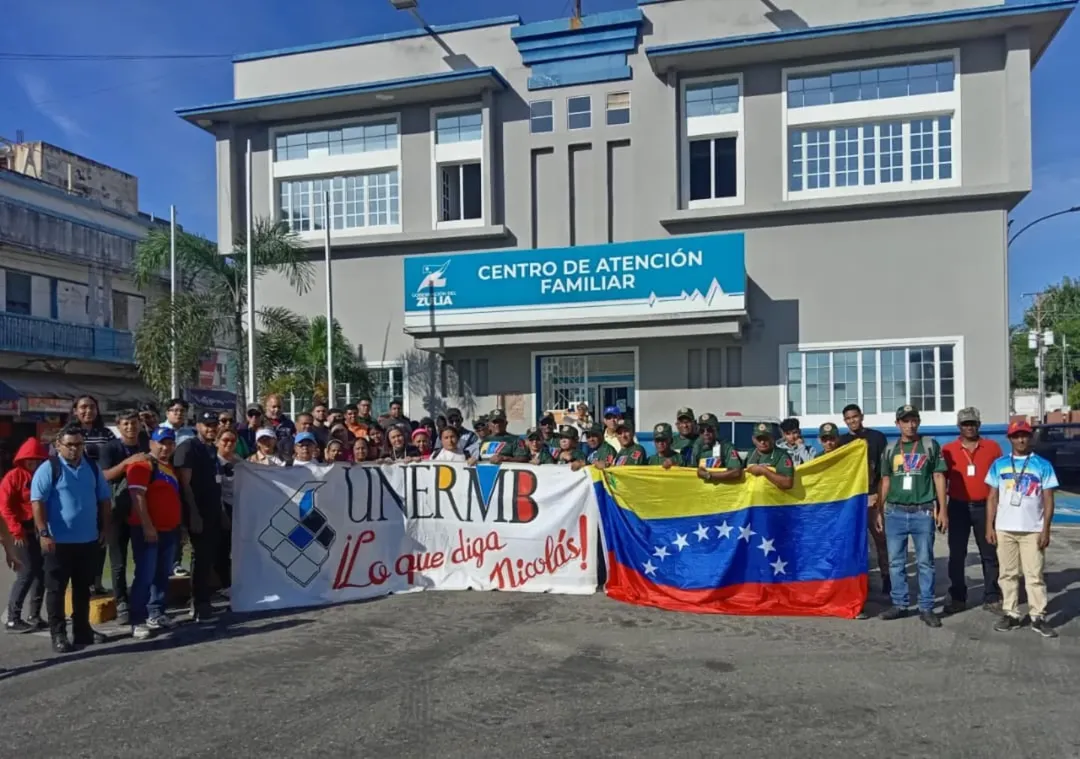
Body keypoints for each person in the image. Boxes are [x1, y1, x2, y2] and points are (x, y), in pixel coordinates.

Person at [31, 425, 111, 653]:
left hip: (87, 541)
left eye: (79, 444)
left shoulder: (92, 468)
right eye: (70, 445)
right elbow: (37, 502)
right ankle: (58, 634)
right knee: (56, 590)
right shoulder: (49, 468)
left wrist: (105, 528)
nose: (74, 449)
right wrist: (43, 533)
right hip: (58, 542)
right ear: (58, 446)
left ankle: (82, 630)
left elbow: (104, 499)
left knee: (83, 589)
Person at [986, 420, 1059, 638]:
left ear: (1030, 437)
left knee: (1034, 574)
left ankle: (1038, 616)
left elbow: (1048, 499)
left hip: (1032, 529)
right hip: (1004, 528)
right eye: (1016, 436)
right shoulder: (999, 464)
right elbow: (992, 497)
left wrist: (1045, 529)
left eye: (1024, 435)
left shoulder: (1042, 465)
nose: (1021, 440)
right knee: (1007, 574)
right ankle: (1011, 613)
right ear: (1009, 438)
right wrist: (990, 525)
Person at [876, 404, 947, 628]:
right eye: (905, 421)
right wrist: (879, 510)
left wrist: (942, 509)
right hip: (895, 512)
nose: (910, 425)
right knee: (896, 562)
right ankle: (899, 604)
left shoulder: (930, 445)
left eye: (914, 420)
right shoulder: (890, 449)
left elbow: (938, 477)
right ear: (897, 424)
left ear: (919, 421)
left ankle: (926, 607)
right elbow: (885, 481)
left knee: (925, 562)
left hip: (922, 511)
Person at [941, 407, 1003, 615]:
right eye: (965, 424)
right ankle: (958, 596)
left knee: (989, 552)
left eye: (973, 423)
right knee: (957, 554)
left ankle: (992, 595)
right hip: (958, 506)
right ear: (958, 426)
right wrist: (940, 509)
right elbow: (941, 480)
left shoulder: (992, 447)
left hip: (984, 507)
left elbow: (1000, 479)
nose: (969, 427)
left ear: (979, 425)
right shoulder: (948, 450)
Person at [126, 427, 183, 640]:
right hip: (148, 531)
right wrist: (147, 526)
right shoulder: (142, 465)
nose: (165, 447)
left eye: (169, 443)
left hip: (169, 530)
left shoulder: (169, 467)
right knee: (145, 575)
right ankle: (137, 620)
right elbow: (137, 496)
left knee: (161, 574)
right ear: (151, 444)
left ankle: (156, 613)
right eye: (161, 443)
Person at [98, 410, 150, 626]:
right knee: (118, 563)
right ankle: (121, 603)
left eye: (134, 423)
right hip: (116, 511)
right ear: (118, 426)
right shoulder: (110, 448)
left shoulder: (146, 444)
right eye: (126, 424)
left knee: (142, 559)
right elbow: (104, 475)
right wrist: (129, 462)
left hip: (142, 511)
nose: (131, 427)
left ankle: (140, 599)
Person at [173, 410, 223, 622]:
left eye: (214, 425)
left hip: (212, 510)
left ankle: (204, 599)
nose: (211, 429)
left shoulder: (211, 449)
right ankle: (198, 603)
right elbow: (184, 484)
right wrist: (193, 513)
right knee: (200, 557)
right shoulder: (188, 447)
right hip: (196, 511)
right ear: (198, 426)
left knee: (208, 557)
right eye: (206, 425)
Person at [840, 403, 890, 596]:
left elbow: (885, 471)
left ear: (861, 416)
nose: (852, 421)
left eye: (855, 416)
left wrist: (880, 497)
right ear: (845, 421)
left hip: (873, 495)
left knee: (881, 540)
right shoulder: (842, 442)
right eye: (848, 418)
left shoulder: (877, 437)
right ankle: (857, 582)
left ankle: (887, 577)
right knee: (854, 543)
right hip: (852, 499)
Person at [2, 437, 49, 632]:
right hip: (20, 533)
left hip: (38, 531)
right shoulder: (13, 477)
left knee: (41, 573)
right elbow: (4, 506)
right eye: (30, 459)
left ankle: (34, 615)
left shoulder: (43, 476)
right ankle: (13, 618)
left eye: (37, 459)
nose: (33, 463)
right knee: (26, 572)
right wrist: (15, 530)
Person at [72, 394, 117, 596]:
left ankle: (96, 582)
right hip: (76, 493)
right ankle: (79, 581)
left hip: (101, 493)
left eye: (92, 407)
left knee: (101, 537)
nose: (88, 411)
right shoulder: (68, 433)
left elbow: (115, 458)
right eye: (83, 407)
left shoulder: (106, 434)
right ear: (75, 411)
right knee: (79, 540)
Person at [215, 428, 239, 594]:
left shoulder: (240, 462)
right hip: (219, 508)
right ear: (217, 442)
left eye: (232, 441)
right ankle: (225, 585)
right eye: (225, 440)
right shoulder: (212, 461)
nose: (229, 444)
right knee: (222, 549)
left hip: (237, 508)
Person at [694, 414, 744, 483]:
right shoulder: (697, 448)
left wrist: (709, 475)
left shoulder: (726, 447)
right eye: (702, 430)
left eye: (710, 429)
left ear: (716, 430)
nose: (706, 433)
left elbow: (736, 473)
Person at [745, 423, 795, 491]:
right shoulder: (750, 453)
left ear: (772, 438)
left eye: (765, 438)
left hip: (772, 497)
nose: (762, 442)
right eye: (759, 439)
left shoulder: (781, 455)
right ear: (753, 439)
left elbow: (787, 483)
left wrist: (763, 471)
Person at [264, 394, 297, 460]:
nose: (277, 409)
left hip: (284, 458)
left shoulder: (289, 424)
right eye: (274, 407)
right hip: (265, 457)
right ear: (267, 407)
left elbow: (294, 440)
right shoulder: (261, 422)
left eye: (279, 407)